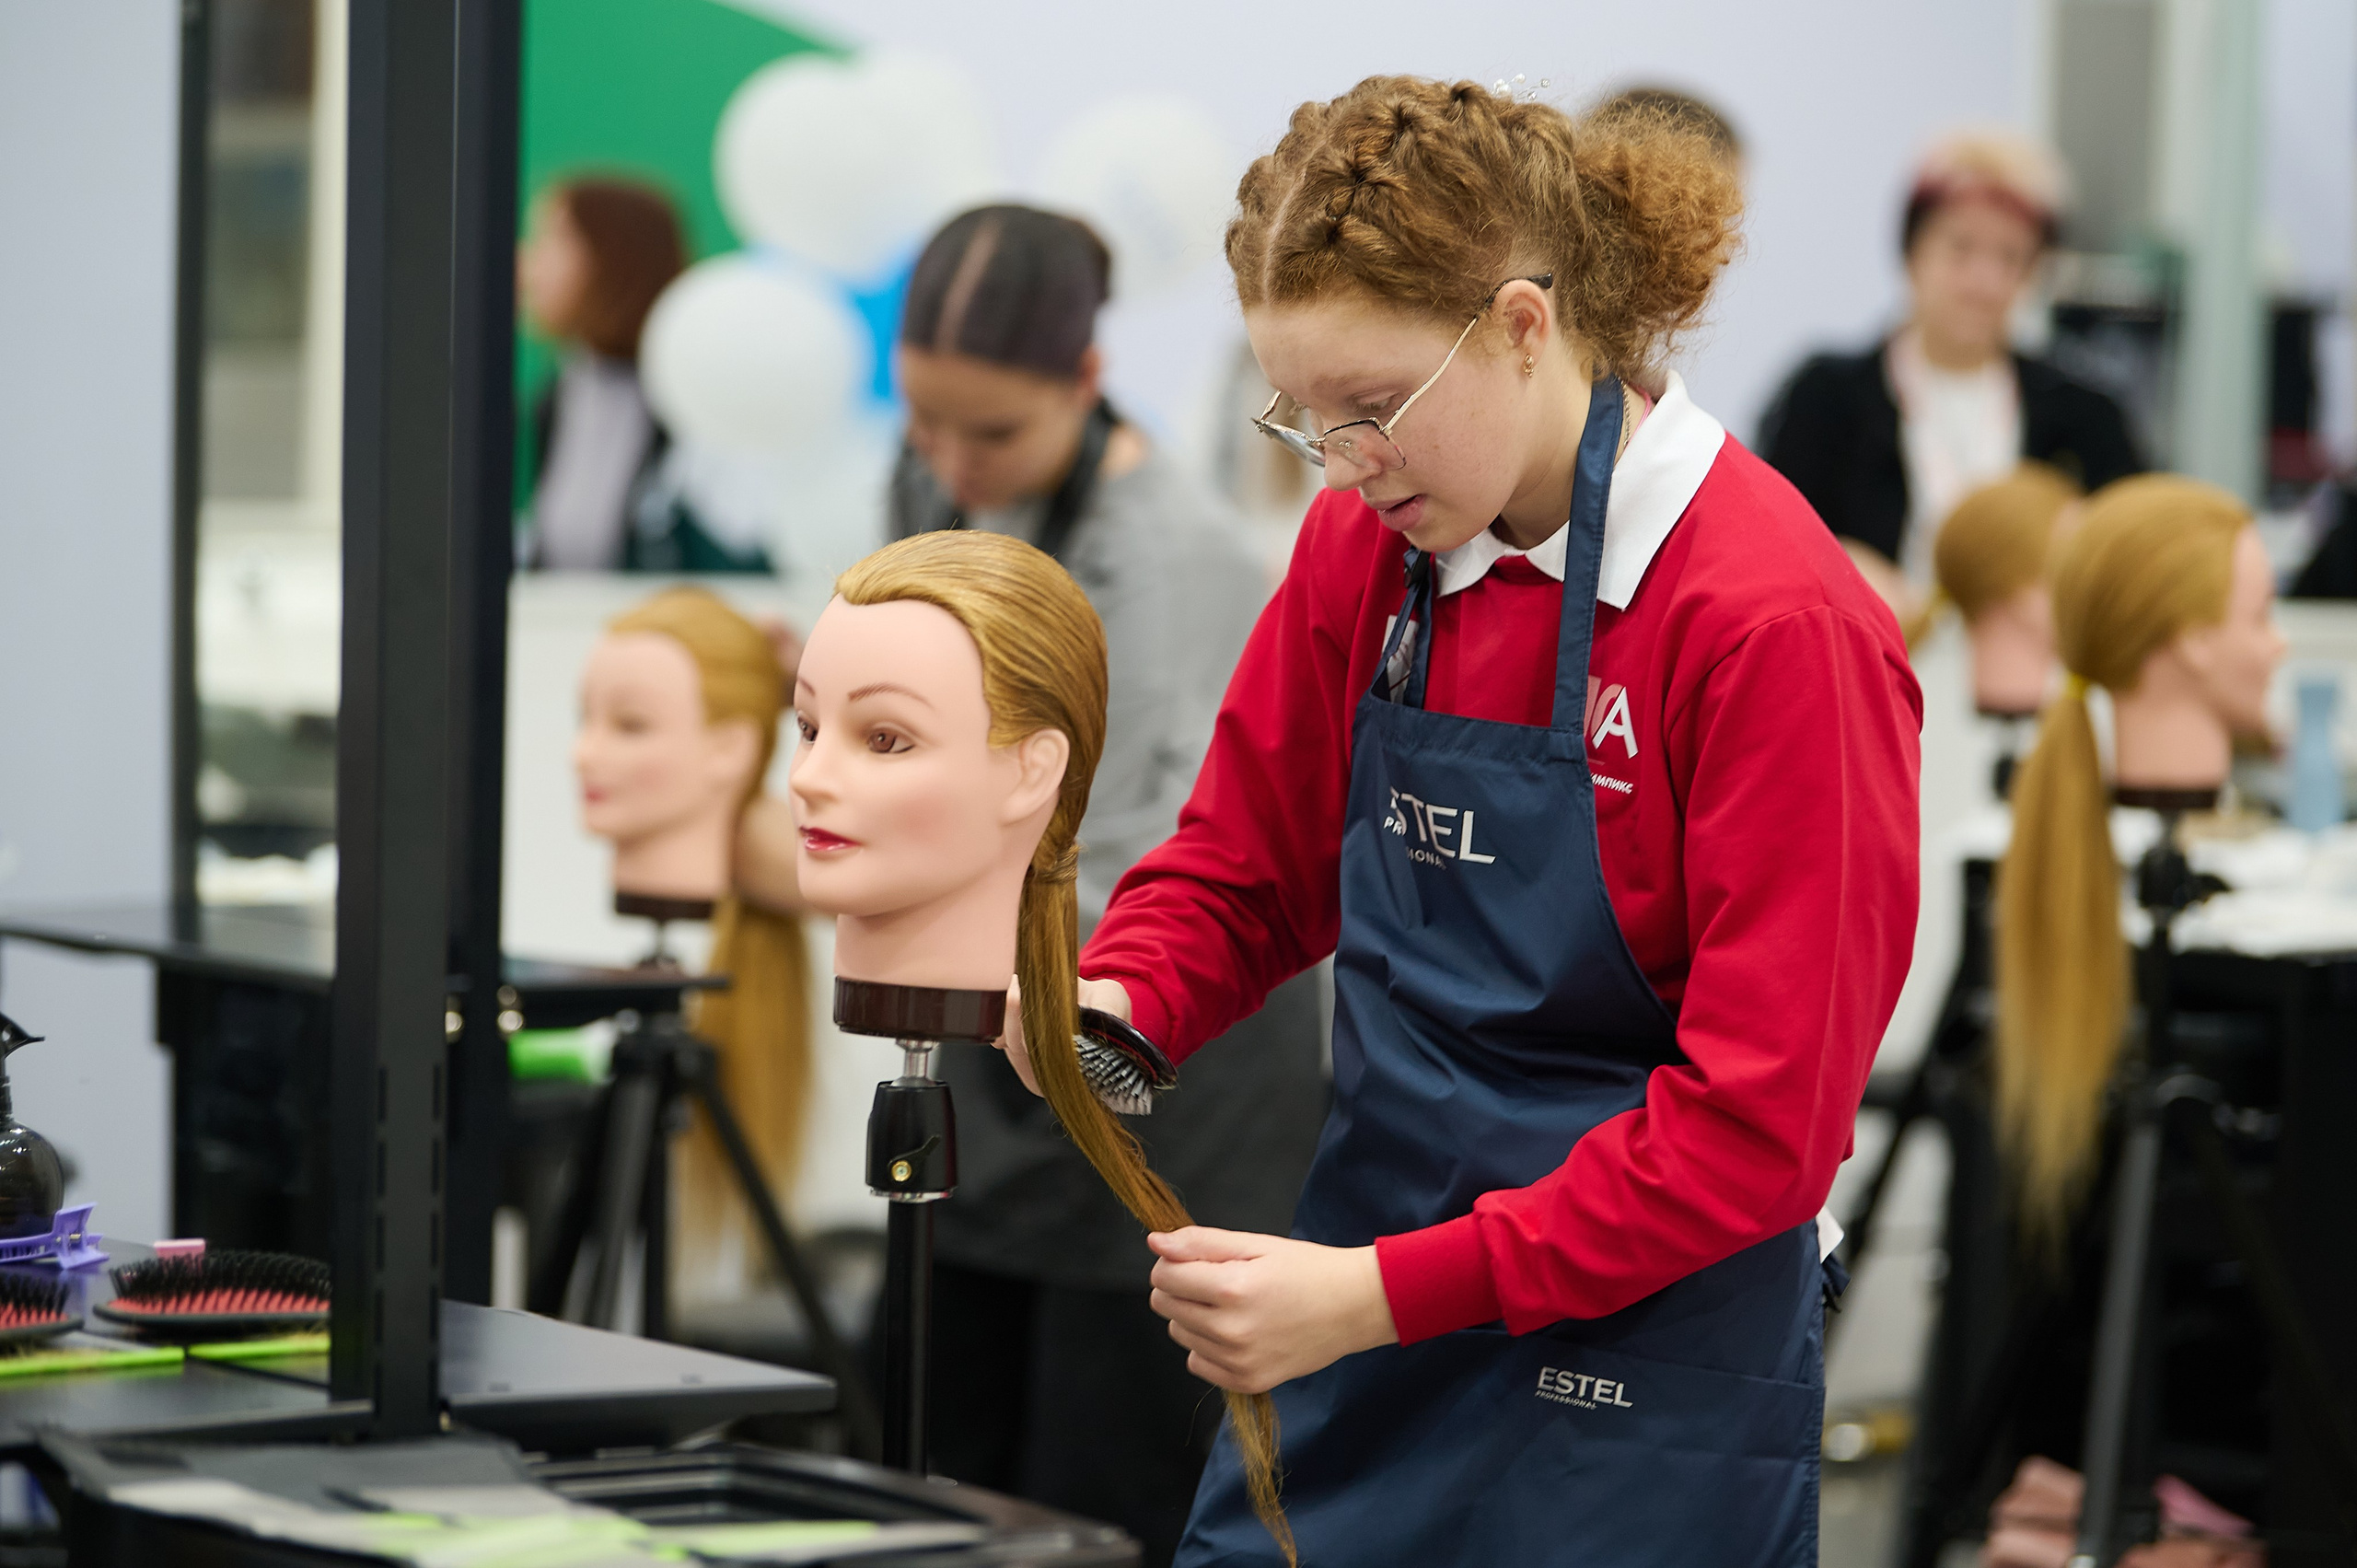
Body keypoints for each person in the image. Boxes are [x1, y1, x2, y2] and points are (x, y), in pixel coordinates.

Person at [995, 78, 1922, 1564]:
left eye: (1373, 409)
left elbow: (1757, 1129)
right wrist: (1116, 998)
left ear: (1523, 325)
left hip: (1643, 1366)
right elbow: (1246, 864)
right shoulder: (1371, 547)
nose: (1346, 464)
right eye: (1306, 418)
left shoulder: (1770, 623)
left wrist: (1376, 1291)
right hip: (1363, 1302)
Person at [748, 203, 1328, 1567]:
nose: (951, 465)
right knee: (929, 1477)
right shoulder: (935, 476)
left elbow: (1156, 861)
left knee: (1090, 1503)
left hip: (1162, 1060)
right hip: (986, 1059)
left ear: (1085, 380)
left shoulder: (1172, 559)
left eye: (991, 436)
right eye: (924, 427)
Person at [1759, 131, 2141, 626]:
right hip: (1864, 655)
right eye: (1960, 249)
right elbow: (1768, 537)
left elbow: (2133, 554)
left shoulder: (2085, 414)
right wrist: (1841, 565)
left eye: (2010, 258)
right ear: (1912, 254)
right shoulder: (1826, 396)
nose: (1983, 282)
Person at [517, 177, 766, 573]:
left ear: (616, 256)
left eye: (555, 238)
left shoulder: (696, 404)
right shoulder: (559, 393)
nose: (528, 263)